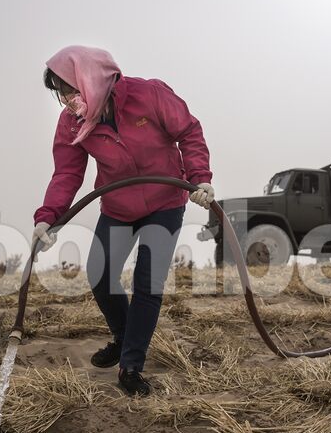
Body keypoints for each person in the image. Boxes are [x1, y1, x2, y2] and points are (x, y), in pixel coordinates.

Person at [31, 45, 214, 396]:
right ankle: (123, 336)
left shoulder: (148, 95)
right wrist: (48, 217)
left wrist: (200, 177)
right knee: (99, 274)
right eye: (61, 94)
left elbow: (189, 132)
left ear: (89, 79)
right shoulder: (73, 122)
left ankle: (131, 366)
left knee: (148, 283)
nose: (67, 100)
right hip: (117, 206)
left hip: (165, 201)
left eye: (69, 89)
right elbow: (67, 173)